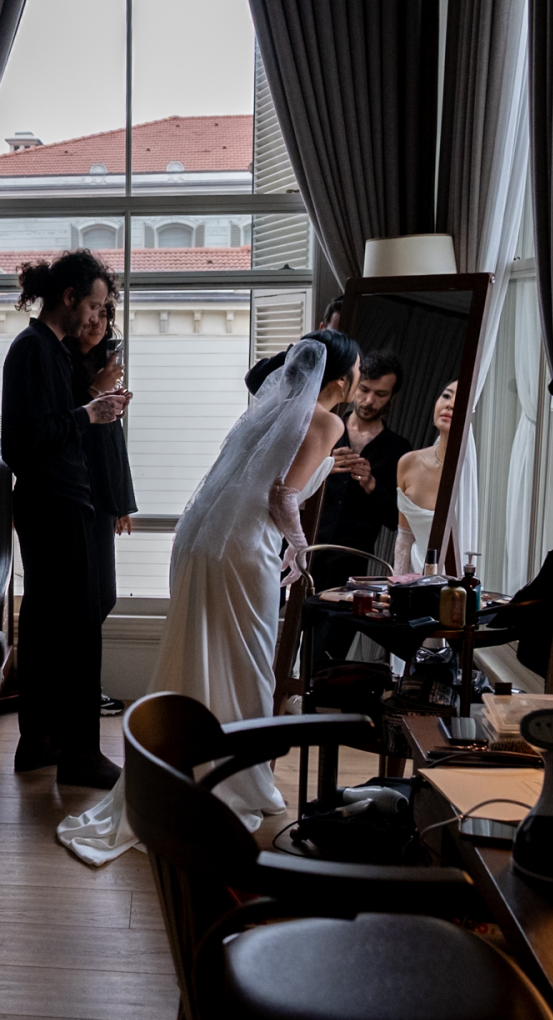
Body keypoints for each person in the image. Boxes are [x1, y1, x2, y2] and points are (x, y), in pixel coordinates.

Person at [57, 330, 359, 865]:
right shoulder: (326, 419)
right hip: (241, 550)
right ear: (341, 379)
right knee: (247, 664)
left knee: (202, 650)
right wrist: (301, 548)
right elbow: (284, 495)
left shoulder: (278, 411)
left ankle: (201, 762)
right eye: (358, 370)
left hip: (200, 539)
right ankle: (237, 781)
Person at [1, 250, 130, 790]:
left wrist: (89, 405)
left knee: (51, 623)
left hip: (62, 503)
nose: (97, 316)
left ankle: (38, 741)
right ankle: (80, 754)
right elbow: (21, 442)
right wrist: (89, 412)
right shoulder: (32, 350)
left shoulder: (51, 352)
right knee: (77, 629)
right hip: (56, 504)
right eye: (94, 304)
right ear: (70, 297)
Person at [68, 298, 138, 716]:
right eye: (92, 313)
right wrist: (97, 391)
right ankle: (78, 690)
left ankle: (80, 688)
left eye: (105, 315)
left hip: (101, 498)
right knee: (88, 600)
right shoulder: (65, 364)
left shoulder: (104, 362)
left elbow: (111, 443)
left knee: (102, 597)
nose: (98, 322)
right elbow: (63, 429)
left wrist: (120, 503)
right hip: (76, 497)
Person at [310, 348, 410, 593]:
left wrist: (372, 486)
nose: (369, 401)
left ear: (392, 396)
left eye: (380, 394)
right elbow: (289, 488)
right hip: (305, 550)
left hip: (351, 564)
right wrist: (322, 464)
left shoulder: (398, 449)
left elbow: (397, 520)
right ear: (353, 385)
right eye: (364, 389)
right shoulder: (322, 429)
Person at [394, 379, 457, 573]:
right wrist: (397, 586)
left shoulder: (474, 476)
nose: (450, 404)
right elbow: (405, 536)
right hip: (416, 575)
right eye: (446, 395)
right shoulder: (409, 462)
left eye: (459, 400)